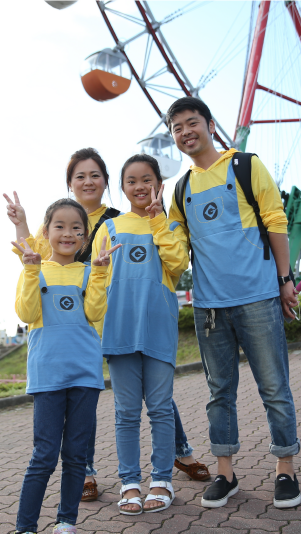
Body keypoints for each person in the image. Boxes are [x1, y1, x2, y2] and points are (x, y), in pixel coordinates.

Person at [4, 148, 209, 503]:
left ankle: (177, 455)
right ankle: (89, 471)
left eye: (95, 175)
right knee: (100, 402)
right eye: (80, 176)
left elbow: (173, 261)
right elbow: (34, 254)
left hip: (122, 317)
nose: (88, 182)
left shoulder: (116, 219)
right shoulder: (63, 219)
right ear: (69, 183)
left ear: (107, 182)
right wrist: (21, 223)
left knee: (155, 399)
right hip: (86, 324)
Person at [167, 96, 301, 509]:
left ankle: (285, 469)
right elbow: (175, 250)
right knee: (218, 393)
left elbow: (275, 220)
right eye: (177, 128)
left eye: (192, 123)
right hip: (209, 307)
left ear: (210, 125)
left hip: (258, 297)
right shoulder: (180, 189)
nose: (186, 132)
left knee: (274, 387)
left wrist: (285, 280)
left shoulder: (245, 165)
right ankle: (225, 473)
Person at [11, 198, 118, 534]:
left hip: (85, 375)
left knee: (75, 455)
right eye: (60, 226)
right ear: (46, 232)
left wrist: (99, 273)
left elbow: (95, 313)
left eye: (76, 228)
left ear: (85, 237)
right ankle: (26, 527)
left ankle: (66, 522)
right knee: (44, 455)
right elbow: (26, 313)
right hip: (47, 375)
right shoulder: (35, 269)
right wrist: (31, 270)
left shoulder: (89, 272)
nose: (68, 233)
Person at [91, 154, 191, 515]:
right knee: (126, 413)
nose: (139, 187)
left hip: (158, 327)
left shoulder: (170, 224)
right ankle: (130, 483)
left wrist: (158, 221)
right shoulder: (109, 227)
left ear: (159, 185)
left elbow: (178, 264)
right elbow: (97, 280)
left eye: (146, 179)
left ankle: (162, 480)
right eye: (131, 181)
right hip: (119, 330)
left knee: (161, 409)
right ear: (122, 187)